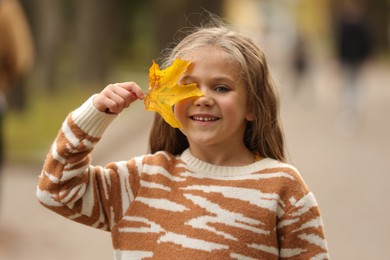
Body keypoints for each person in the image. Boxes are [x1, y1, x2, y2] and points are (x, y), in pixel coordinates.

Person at [36, 18, 329, 259]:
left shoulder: (281, 188)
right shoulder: (141, 181)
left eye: (222, 88)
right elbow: (57, 191)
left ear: (252, 105)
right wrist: (94, 115)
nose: (202, 98)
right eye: (187, 87)